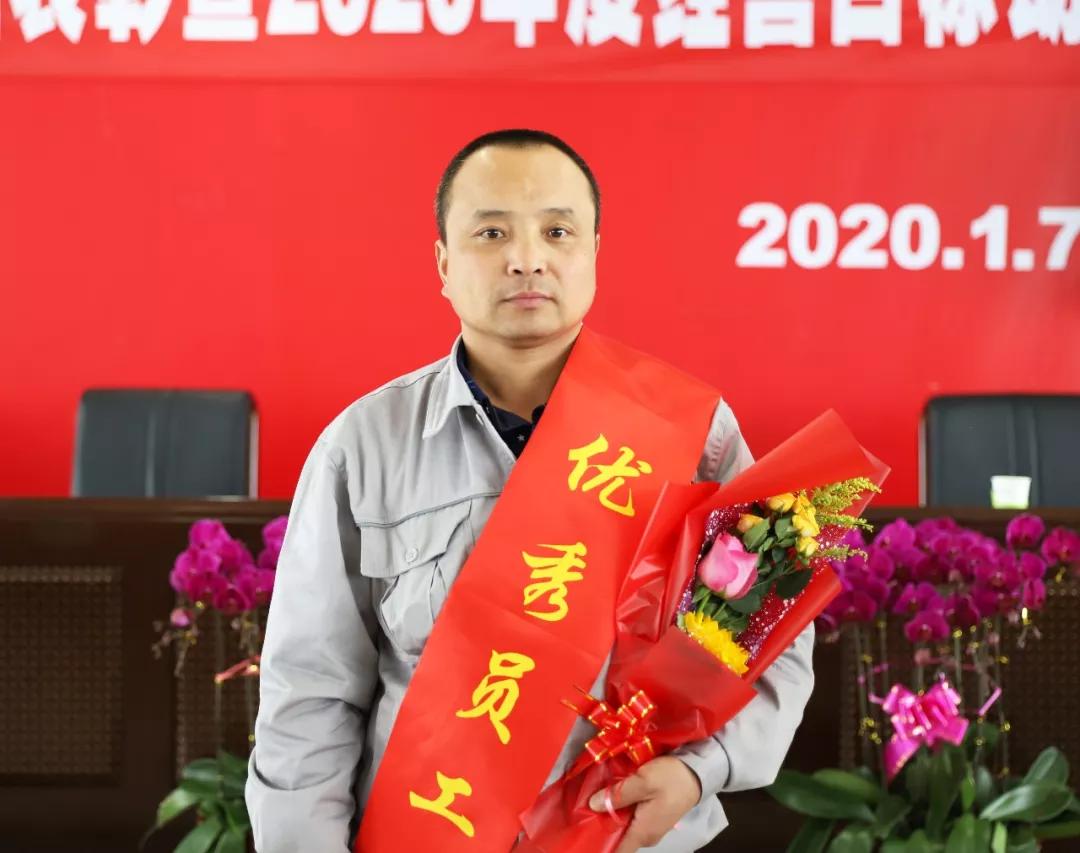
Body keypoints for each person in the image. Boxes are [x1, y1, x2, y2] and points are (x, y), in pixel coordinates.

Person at [246, 128, 816, 853]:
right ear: (444, 263)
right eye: (492, 233)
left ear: (594, 253)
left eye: (556, 231)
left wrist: (699, 772)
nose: (526, 259)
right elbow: (311, 691)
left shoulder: (694, 433)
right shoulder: (363, 447)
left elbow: (771, 634)